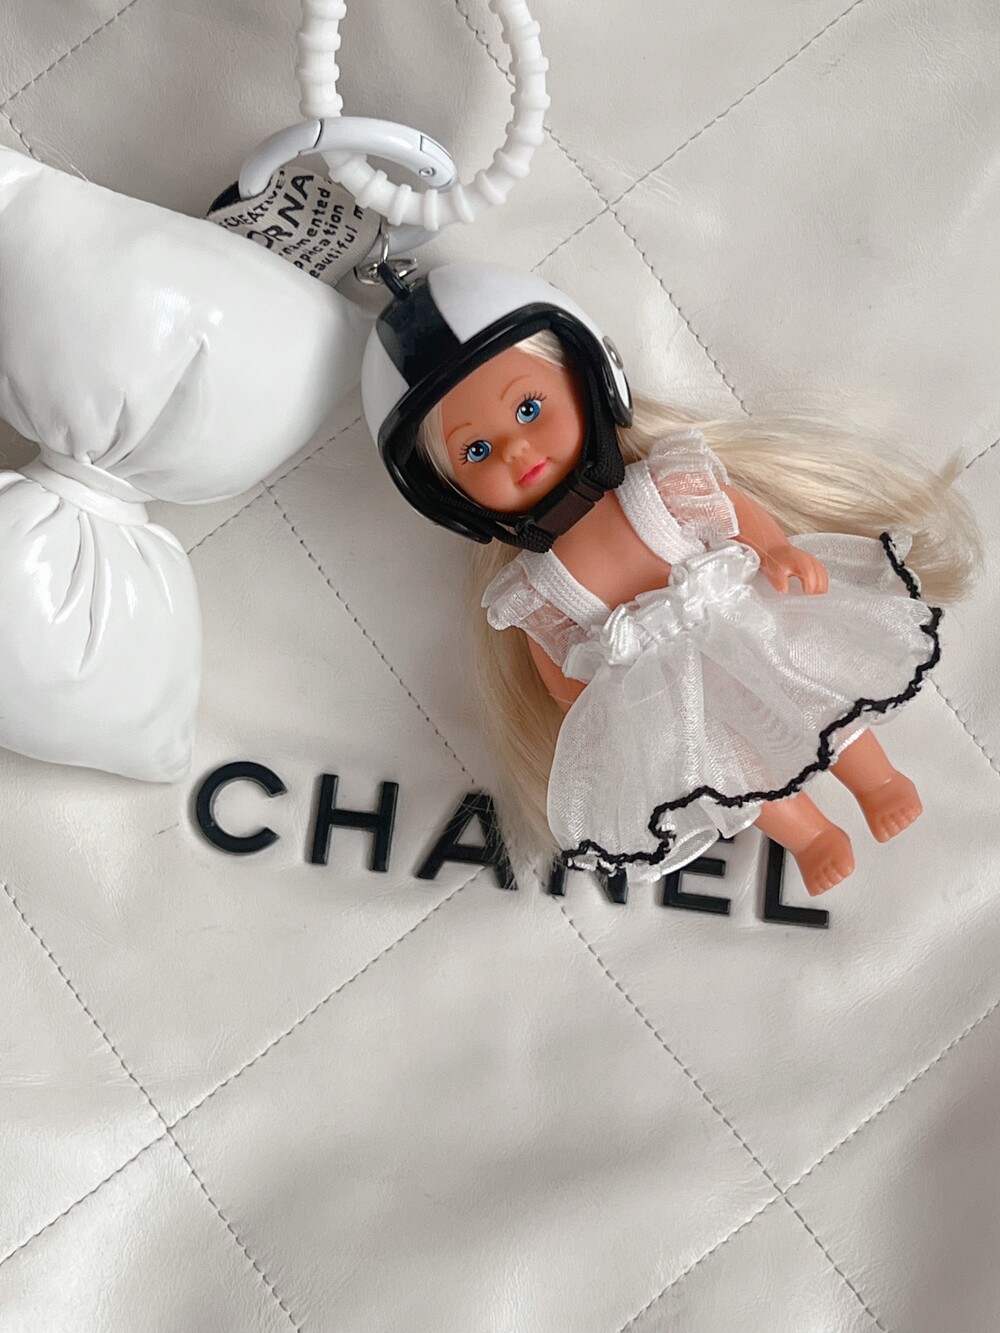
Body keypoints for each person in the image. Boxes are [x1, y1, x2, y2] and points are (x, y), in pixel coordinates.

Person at [362, 263, 979, 893]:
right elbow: (558, 670)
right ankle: (812, 837)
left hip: (744, 626)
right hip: (668, 698)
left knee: (818, 702)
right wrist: (591, 719)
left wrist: (775, 551)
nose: (516, 450)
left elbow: (733, 513)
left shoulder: (658, 487)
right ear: (453, 498)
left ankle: (880, 783)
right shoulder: (534, 587)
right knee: (733, 775)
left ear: (592, 384)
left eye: (529, 408)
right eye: (476, 452)